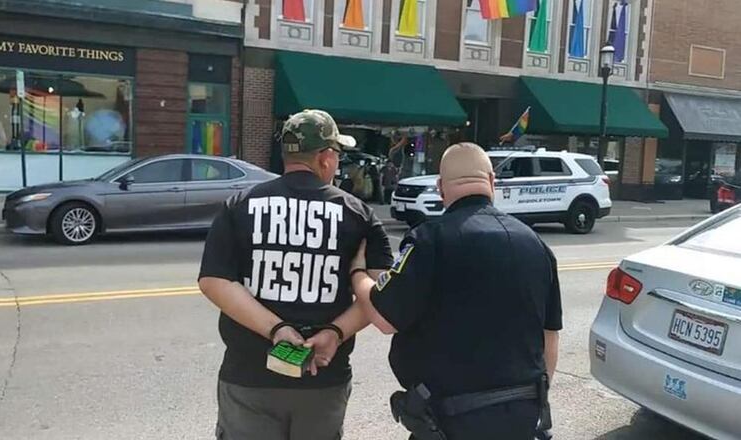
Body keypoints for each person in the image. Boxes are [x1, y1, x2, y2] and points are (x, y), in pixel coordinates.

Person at [198, 109, 393, 440]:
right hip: (323, 380)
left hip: (249, 376)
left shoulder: (240, 205)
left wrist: (277, 330)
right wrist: (335, 332)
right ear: (326, 157)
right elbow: (383, 295)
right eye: (337, 153)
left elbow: (214, 281)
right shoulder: (359, 215)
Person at [349, 142, 562, 440]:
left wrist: (358, 275)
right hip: (521, 418)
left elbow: (385, 318)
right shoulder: (537, 246)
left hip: (449, 422)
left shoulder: (428, 240)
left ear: (440, 188)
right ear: (491, 181)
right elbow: (549, 339)